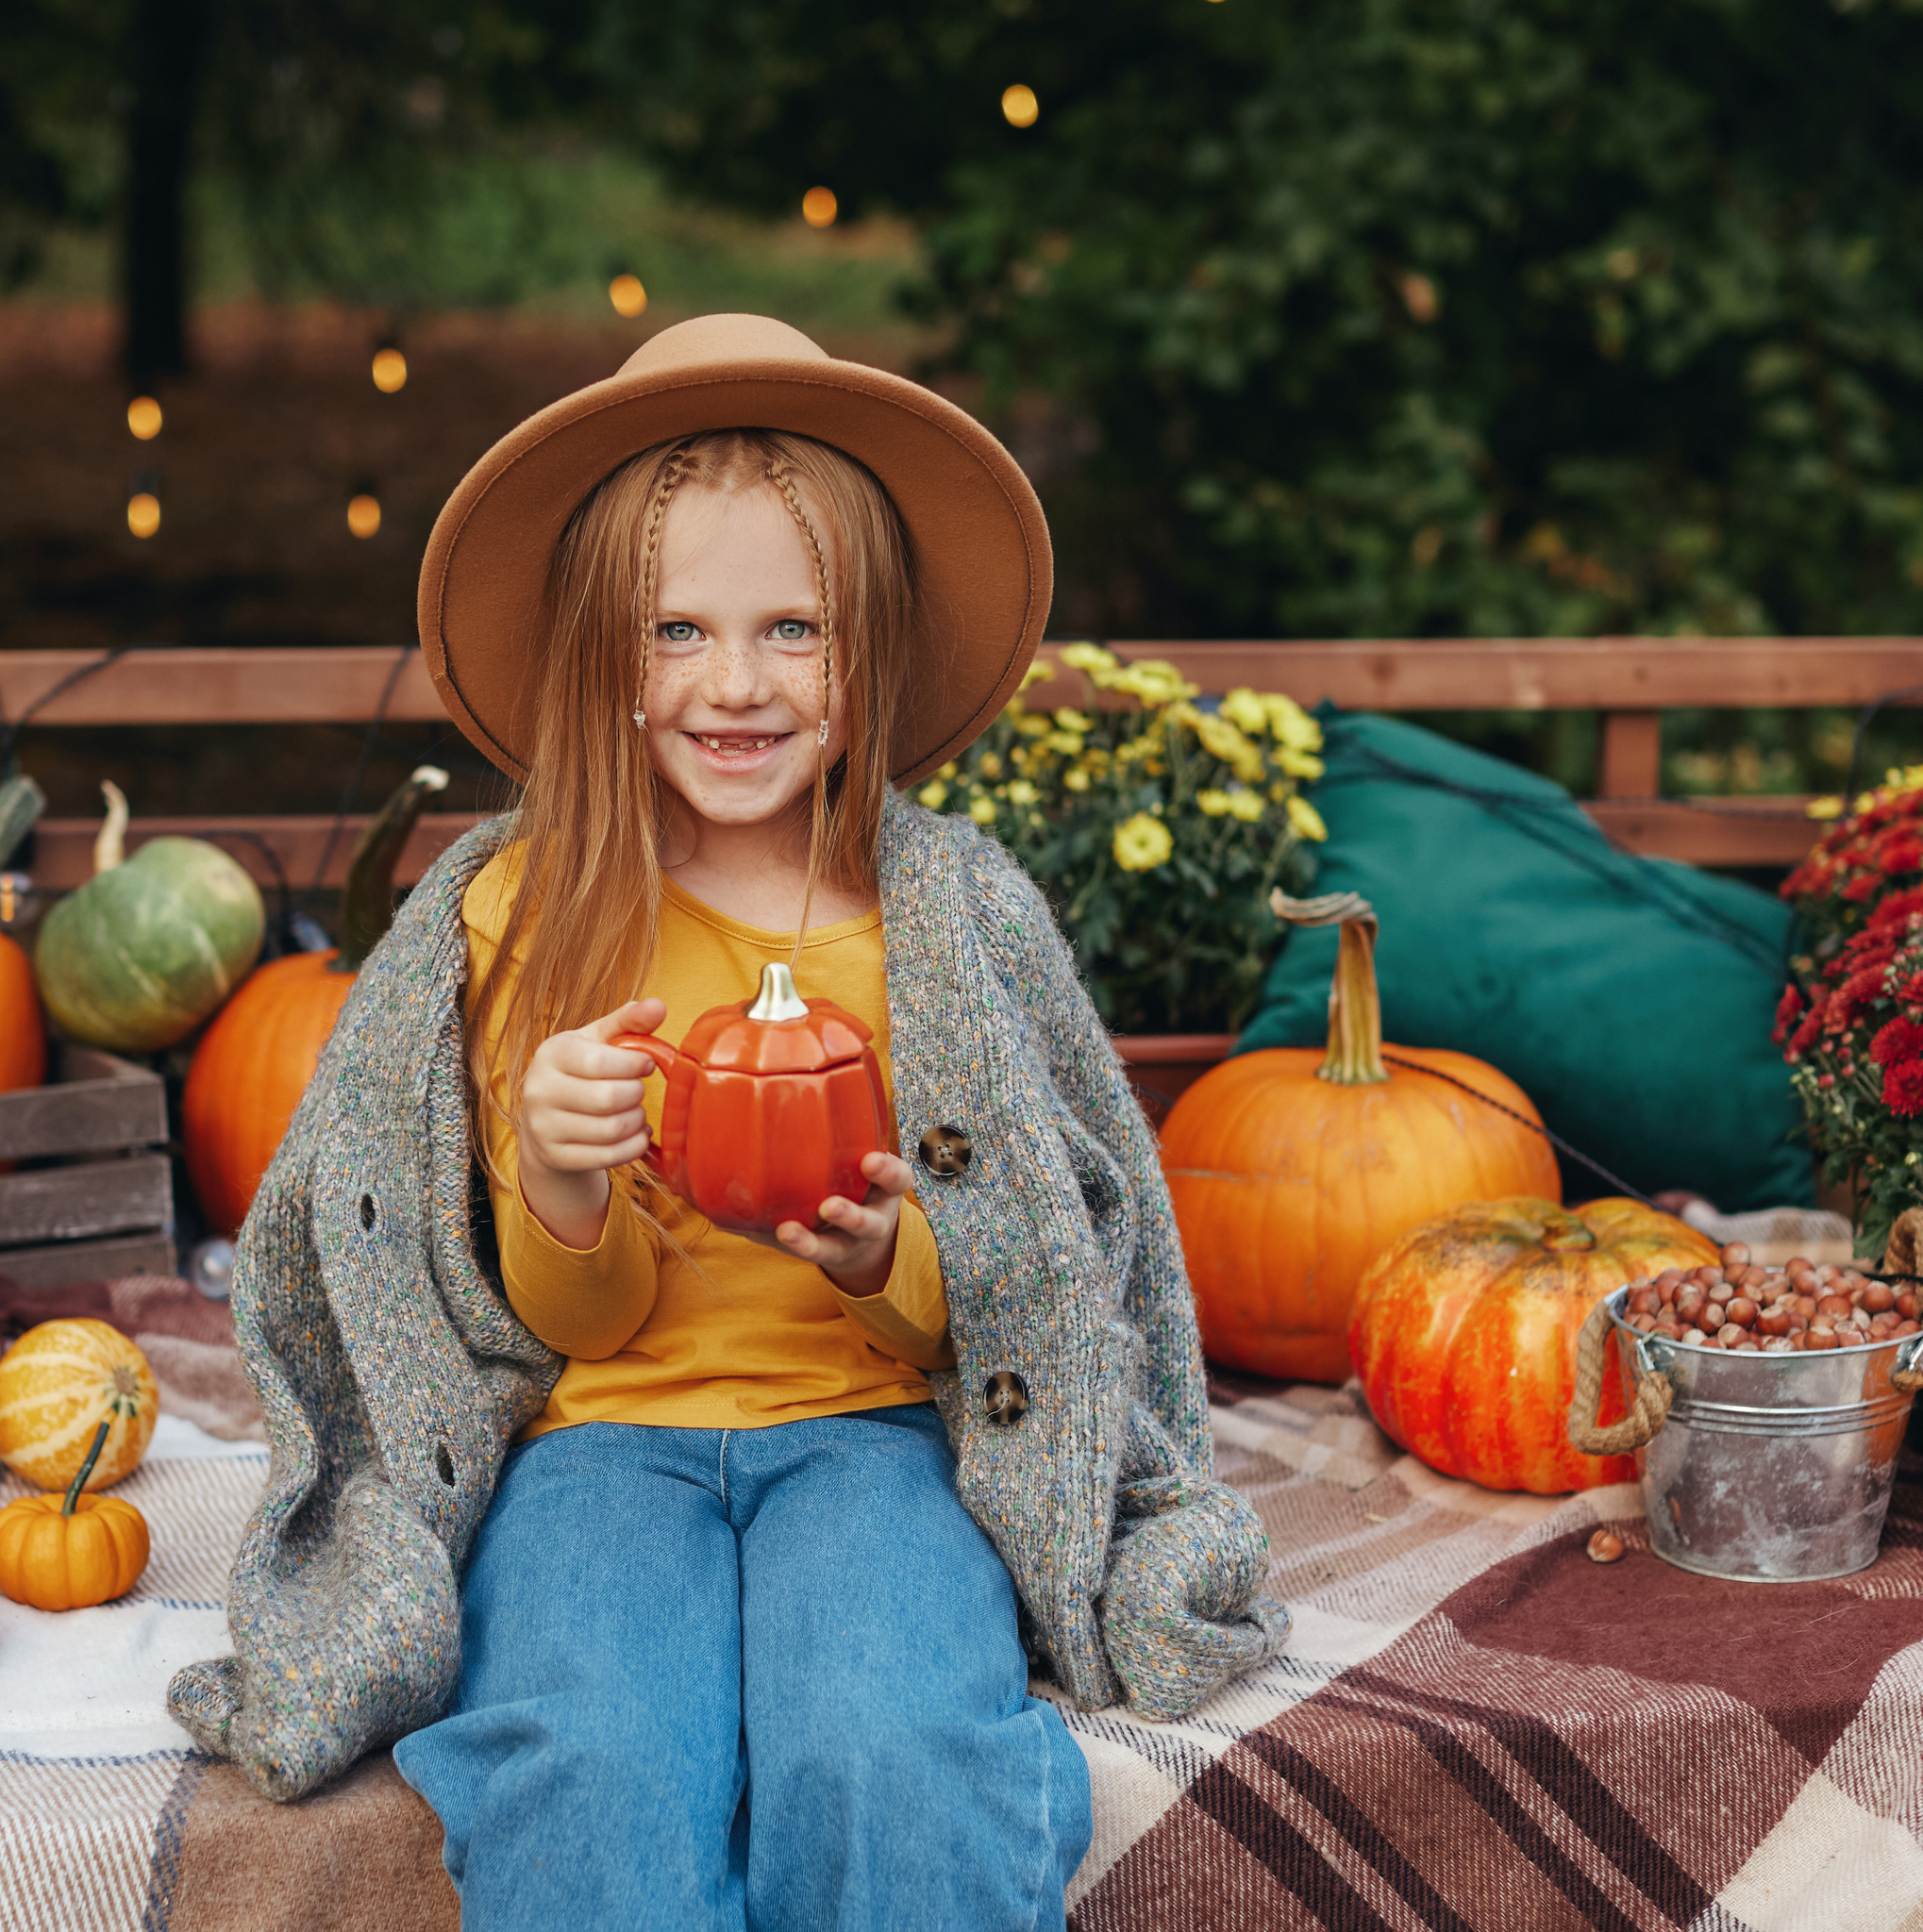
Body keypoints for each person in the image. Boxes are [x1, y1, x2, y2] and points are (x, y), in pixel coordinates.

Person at [172, 315, 1286, 1930]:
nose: (738, 682)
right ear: (602, 655)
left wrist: (886, 1254)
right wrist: (558, 1182)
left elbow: (1024, 1274)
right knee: (590, 1772)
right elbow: (572, 1320)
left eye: (794, 629)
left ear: (874, 645)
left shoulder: (951, 922)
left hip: (873, 1443)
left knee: (891, 1756)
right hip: (597, 1450)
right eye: (678, 629)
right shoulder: (520, 917)